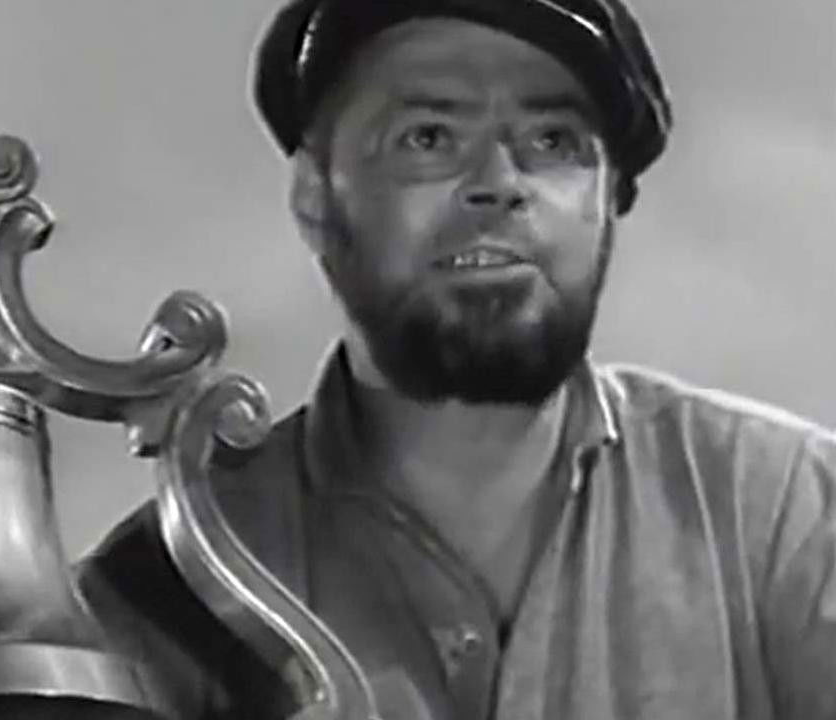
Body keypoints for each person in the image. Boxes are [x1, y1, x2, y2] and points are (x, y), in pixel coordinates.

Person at [76, 1, 836, 718]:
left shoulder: (785, 515)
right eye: (429, 138)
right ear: (314, 195)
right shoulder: (170, 585)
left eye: (553, 143)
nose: (500, 185)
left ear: (610, 198)